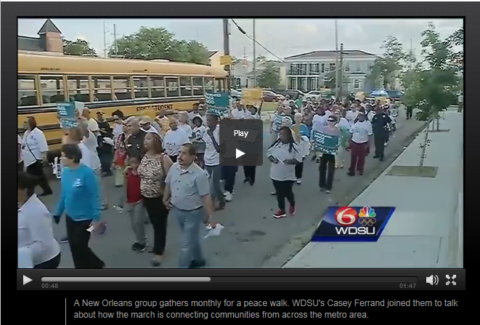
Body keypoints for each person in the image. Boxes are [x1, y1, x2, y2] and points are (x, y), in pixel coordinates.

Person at [163, 143, 217, 268]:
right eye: (179, 152)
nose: (179, 156)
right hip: (177, 210)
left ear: (193, 157)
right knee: (191, 238)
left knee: (186, 244)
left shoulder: (199, 174)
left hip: (193, 213)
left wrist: (211, 216)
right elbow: (168, 183)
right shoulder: (174, 167)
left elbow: (206, 196)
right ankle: (198, 259)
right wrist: (165, 199)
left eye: (184, 153)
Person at [54, 144, 105, 269]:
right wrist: (58, 212)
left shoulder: (86, 173)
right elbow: (64, 194)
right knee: (73, 247)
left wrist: (96, 218)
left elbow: (94, 196)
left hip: (85, 218)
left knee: (80, 245)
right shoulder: (66, 173)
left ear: (71, 158)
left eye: (63, 156)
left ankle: (96, 264)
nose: (60, 159)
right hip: (70, 216)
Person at [137, 133, 173, 267]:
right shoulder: (145, 157)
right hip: (146, 196)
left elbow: (172, 179)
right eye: (144, 139)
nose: (145, 141)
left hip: (160, 197)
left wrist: (168, 196)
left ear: (156, 141)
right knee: (154, 223)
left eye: (149, 139)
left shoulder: (164, 158)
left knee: (159, 224)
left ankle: (159, 252)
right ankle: (158, 246)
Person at [18, 172, 61, 269]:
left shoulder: (36, 211)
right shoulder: (21, 203)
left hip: (42, 262)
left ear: (24, 190)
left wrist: (21, 254)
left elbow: (43, 245)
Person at [267, 126, 303, 218]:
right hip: (275, 174)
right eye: (280, 134)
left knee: (287, 192)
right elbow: (269, 153)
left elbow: (299, 160)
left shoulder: (295, 147)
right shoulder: (276, 144)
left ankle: (292, 203)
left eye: (283, 134)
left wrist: (290, 161)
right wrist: (272, 159)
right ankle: (282, 210)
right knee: (279, 193)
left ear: (288, 135)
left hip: (288, 175)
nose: (281, 136)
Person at [120, 156, 148, 252]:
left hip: (139, 200)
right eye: (132, 163)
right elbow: (125, 186)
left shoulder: (141, 174)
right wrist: (123, 200)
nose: (134, 165)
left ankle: (142, 241)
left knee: (138, 222)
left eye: (136, 163)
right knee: (132, 224)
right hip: (129, 201)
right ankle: (139, 239)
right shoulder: (128, 173)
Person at [21, 116, 52, 196]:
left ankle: (29, 194)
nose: (23, 124)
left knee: (30, 176)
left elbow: (43, 146)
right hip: (28, 158)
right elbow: (24, 144)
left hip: (35, 159)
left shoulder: (38, 133)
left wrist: (42, 158)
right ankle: (47, 190)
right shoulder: (26, 133)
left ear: (30, 123)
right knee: (40, 176)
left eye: (25, 122)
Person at [203, 114, 225, 210]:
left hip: (217, 162)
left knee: (214, 185)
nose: (208, 123)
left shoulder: (220, 131)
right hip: (207, 161)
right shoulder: (205, 130)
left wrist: (212, 137)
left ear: (216, 121)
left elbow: (219, 149)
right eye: (207, 120)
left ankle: (214, 205)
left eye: (210, 121)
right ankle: (221, 201)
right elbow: (205, 145)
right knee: (210, 184)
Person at [317, 115, 341, 193]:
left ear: (335, 122)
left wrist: (337, 145)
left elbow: (339, 140)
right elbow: (321, 138)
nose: (330, 122)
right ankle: (322, 185)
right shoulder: (324, 129)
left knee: (331, 170)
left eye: (332, 121)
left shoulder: (337, 130)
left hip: (332, 152)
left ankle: (328, 187)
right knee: (322, 169)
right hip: (324, 151)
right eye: (329, 120)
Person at [348, 112, 373, 176]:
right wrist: (349, 141)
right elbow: (351, 132)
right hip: (354, 142)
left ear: (364, 117)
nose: (360, 117)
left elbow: (370, 135)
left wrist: (368, 145)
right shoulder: (355, 123)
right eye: (359, 116)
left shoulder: (367, 124)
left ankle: (360, 170)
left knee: (361, 158)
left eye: (361, 116)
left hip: (363, 143)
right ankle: (352, 171)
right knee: (353, 158)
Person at [95, 110, 114, 177]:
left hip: (106, 142)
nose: (99, 116)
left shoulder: (106, 124)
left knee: (106, 157)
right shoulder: (96, 123)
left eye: (101, 115)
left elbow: (109, 133)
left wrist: (101, 131)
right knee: (101, 156)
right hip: (100, 141)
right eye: (98, 115)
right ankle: (104, 169)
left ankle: (107, 170)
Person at [112, 122, 128, 187]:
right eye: (123, 126)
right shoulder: (120, 136)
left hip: (128, 155)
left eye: (126, 126)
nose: (124, 128)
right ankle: (119, 182)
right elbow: (117, 147)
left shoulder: (131, 136)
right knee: (119, 169)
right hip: (120, 154)